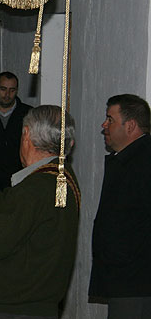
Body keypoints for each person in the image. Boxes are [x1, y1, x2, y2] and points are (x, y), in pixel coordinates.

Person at [0, 105, 80, 318]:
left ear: (26, 134)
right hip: (36, 303)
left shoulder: (37, 187)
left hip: (13, 307)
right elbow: (17, 214)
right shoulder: (60, 179)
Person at [89, 94, 151, 318]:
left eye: (110, 119)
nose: (104, 125)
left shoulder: (143, 162)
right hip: (125, 279)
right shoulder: (127, 159)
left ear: (131, 125)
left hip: (136, 281)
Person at [0, 72, 32, 190]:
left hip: (20, 181)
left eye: (12, 90)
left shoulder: (29, 115)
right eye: (3, 89)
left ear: (17, 90)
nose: (7, 94)